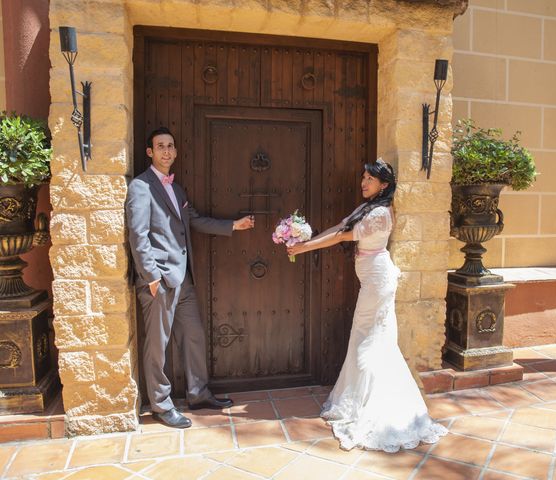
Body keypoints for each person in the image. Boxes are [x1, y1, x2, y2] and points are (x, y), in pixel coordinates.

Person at [287, 158, 448, 452]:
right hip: (372, 281)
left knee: (367, 341)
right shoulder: (367, 208)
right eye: (363, 176)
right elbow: (338, 226)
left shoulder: (380, 214)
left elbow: (342, 237)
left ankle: (375, 405)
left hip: (377, 282)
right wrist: (306, 238)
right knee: (369, 339)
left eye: (370, 179)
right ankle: (362, 398)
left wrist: (304, 248)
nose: (364, 182)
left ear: (384, 184)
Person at [126, 127, 255, 429]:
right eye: (160, 147)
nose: (167, 152)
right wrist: (151, 276)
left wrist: (233, 226)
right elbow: (138, 234)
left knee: (194, 335)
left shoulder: (177, 189)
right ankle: (160, 404)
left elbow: (193, 220)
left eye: (171, 146)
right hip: (159, 279)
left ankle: (198, 393)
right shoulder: (141, 187)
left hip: (183, 279)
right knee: (157, 345)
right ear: (150, 152)